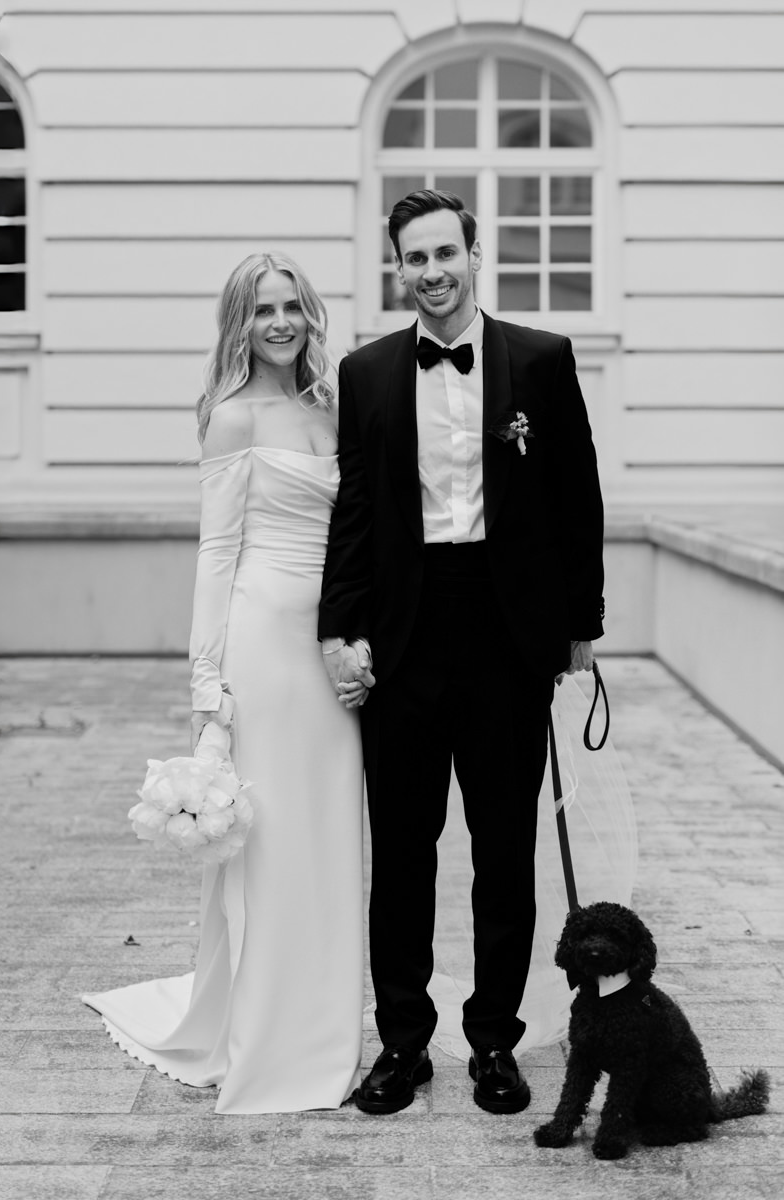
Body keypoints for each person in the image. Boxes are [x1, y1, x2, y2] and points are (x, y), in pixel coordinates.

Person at [319, 189, 606, 1116]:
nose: (433, 271)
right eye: (416, 257)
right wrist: (339, 628)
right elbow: (355, 511)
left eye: (447, 253)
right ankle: (403, 1042)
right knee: (403, 853)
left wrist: (582, 626)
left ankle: (493, 1042)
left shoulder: (542, 359)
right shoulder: (366, 373)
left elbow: (577, 498)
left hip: (507, 633)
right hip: (404, 634)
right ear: (398, 268)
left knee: (503, 851)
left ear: (475, 256)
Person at [82, 253, 368, 1113]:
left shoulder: (332, 406)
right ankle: (265, 1032)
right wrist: (207, 689)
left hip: (331, 649)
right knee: (273, 841)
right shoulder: (233, 417)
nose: (279, 323)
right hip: (264, 646)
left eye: (291, 307)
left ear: (311, 315)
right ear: (239, 324)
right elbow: (216, 554)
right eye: (261, 310)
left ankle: (325, 1019)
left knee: (330, 833)